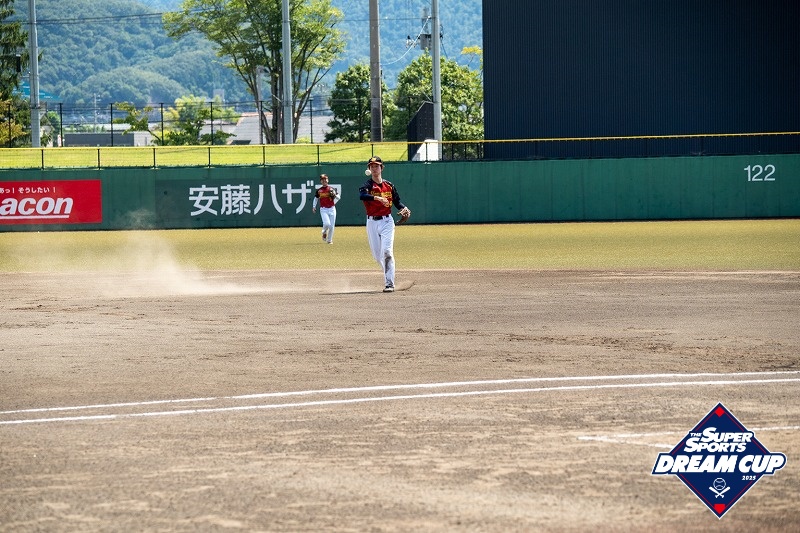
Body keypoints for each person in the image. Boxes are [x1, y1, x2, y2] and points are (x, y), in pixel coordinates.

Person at [358, 156, 411, 292]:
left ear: (382, 168)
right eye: (372, 166)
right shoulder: (367, 185)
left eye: (377, 166)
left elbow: (397, 202)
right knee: (377, 256)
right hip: (372, 222)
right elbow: (362, 196)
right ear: (369, 169)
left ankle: (389, 283)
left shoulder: (389, 185)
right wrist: (378, 198)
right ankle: (389, 274)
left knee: (387, 252)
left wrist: (404, 208)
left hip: (387, 221)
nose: (374, 168)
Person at [312, 173, 338, 244]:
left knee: (332, 226)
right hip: (323, 209)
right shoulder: (319, 190)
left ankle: (329, 240)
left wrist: (334, 195)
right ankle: (324, 232)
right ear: (321, 181)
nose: (324, 181)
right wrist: (314, 206)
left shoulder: (331, 189)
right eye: (322, 179)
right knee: (327, 223)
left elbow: (338, 197)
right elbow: (316, 199)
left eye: (325, 179)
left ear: (328, 180)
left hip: (332, 208)